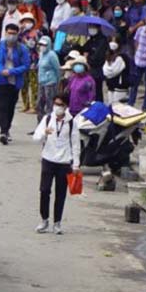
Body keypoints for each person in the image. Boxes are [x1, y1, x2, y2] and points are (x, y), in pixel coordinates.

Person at [32, 93, 80, 234]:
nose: (57, 107)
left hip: (64, 162)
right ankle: (44, 220)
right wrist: (44, 134)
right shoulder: (47, 119)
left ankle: (57, 222)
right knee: (44, 190)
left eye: (61, 105)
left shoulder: (72, 123)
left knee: (61, 194)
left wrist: (76, 165)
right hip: (48, 159)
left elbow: (76, 144)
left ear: (66, 107)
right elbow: (36, 138)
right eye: (56, 104)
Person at [0, 22, 29, 144]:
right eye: (9, 33)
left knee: (11, 107)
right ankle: (3, 131)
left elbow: (26, 65)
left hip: (14, 82)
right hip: (1, 81)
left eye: (14, 34)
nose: (11, 36)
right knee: (3, 106)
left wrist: (11, 71)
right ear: (5, 33)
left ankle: (7, 128)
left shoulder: (22, 49)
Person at [80, 24, 110, 102]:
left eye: (93, 27)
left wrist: (88, 58)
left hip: (97, 70)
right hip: (90, 69)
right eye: (90, 27)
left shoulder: (102, 40)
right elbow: (85, 48)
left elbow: (97, 56)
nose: (91, 29)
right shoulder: (91, 40)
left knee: (97, 92)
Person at [64, 52, 95, 117]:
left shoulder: (89, 80)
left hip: (82, 110)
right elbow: (68, 90)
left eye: (80, 64)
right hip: (72, 109)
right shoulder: (73, 78)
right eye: (76, 64)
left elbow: (91, 96)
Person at [35, 36, 60, 119]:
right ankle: (40, 125)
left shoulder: (52, 55)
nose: (42, 46)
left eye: (44, 45)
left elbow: (57, 69)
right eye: (40, 44)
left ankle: (49, 124)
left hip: (50, 83)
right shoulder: (41, 54)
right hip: (41, 82)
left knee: (50, 105)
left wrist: (57, 82)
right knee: (39, 104)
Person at [103, 38, 131, 104]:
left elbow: (112, 71)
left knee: (118, 107)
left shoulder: (122, 58)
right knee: (110, 106)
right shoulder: (107, 59)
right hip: (110, 86)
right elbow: (106, 72)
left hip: (120, 87)